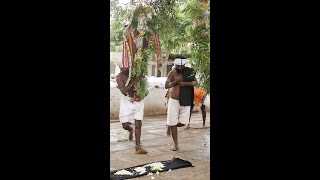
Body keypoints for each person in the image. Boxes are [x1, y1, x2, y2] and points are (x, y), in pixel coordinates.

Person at [165, 57, 197, 151]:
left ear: (184, 65)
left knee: (184, 122)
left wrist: (185, 83)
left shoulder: (189, 71)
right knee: (172, 122)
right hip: (174, 100)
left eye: (181, 66)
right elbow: (166, 85)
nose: (179, 68)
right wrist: (176, 81)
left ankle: (170, 126)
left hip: (186, 100)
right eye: (177, 66)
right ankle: (176, 144)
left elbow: (195, 82)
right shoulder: (172, 73)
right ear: (175, 65)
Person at [116, 67, 148, 154]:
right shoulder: (119, 77)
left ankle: (138, 147)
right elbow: (123, 91)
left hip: (139, 101)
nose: (125, 69)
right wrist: (134, 81)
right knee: (125, 124)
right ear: (120, 68)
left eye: (127, 67)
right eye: (123, 68)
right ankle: (130, 129)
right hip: (127, 101)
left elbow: (146, 90)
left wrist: (141, 95)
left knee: (138, 123)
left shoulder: (137, 74)